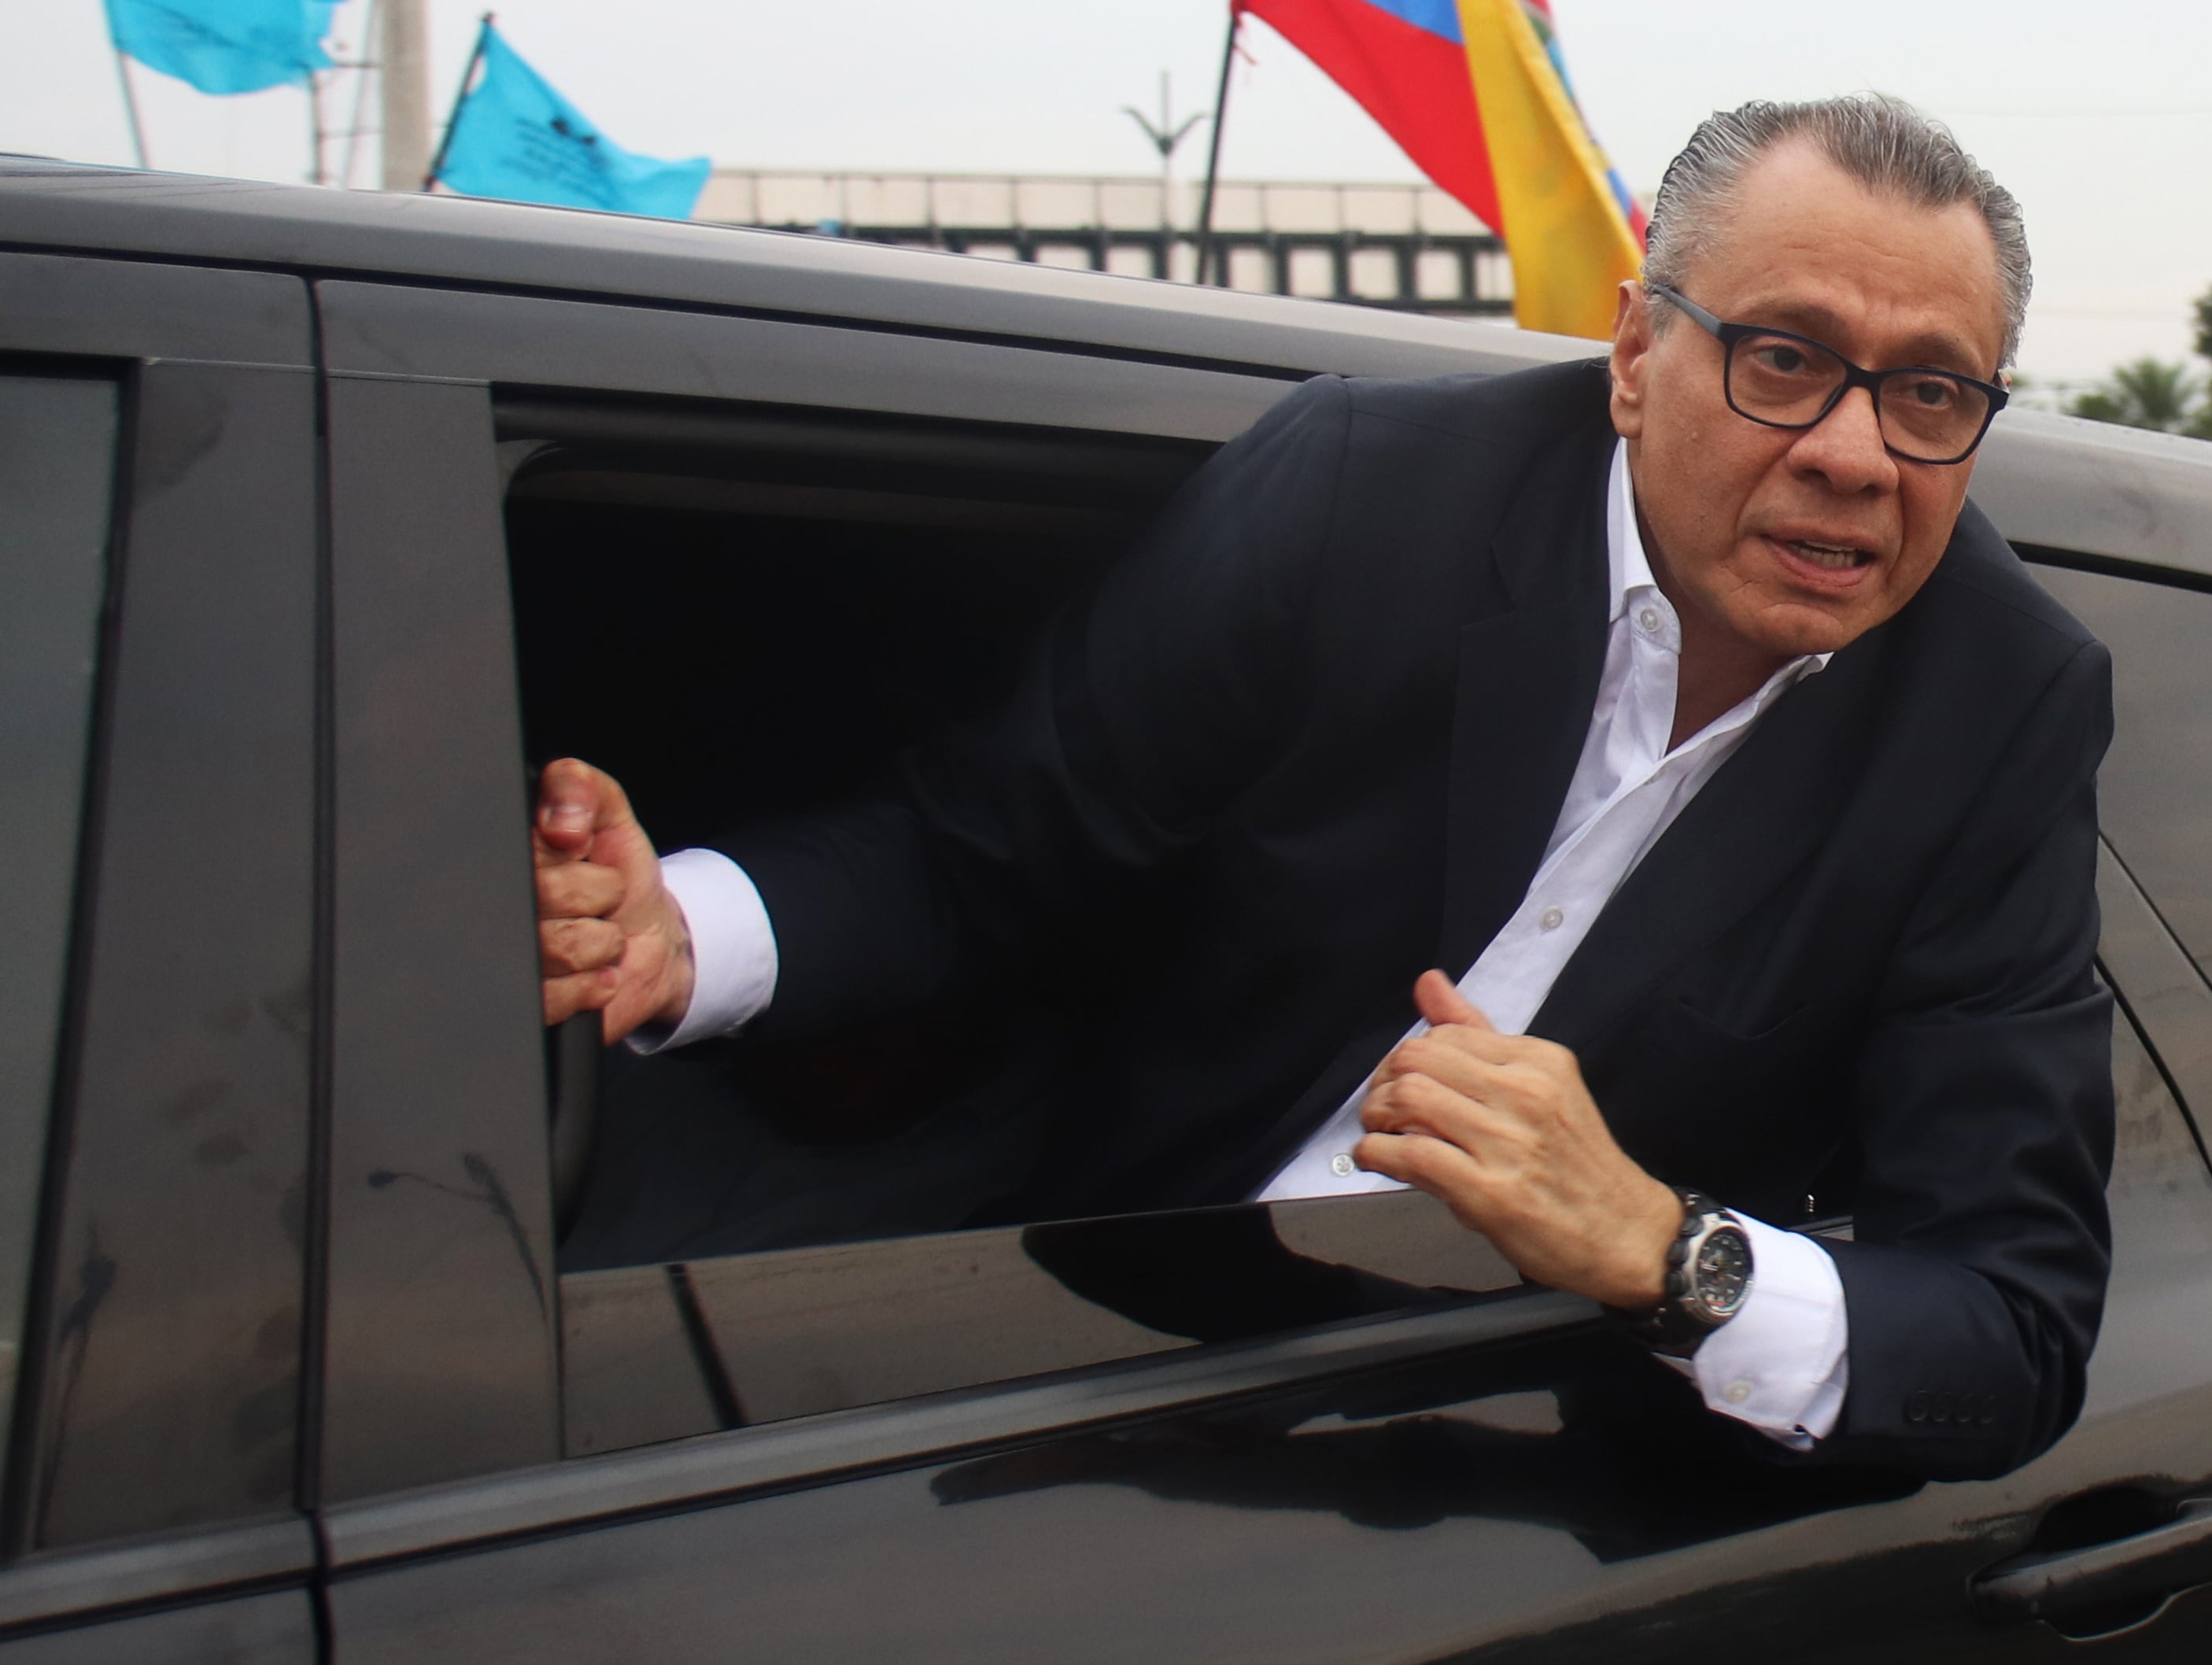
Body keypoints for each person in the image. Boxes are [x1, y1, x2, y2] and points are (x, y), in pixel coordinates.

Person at [530, 94, 2114, 1480]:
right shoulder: (1366, 495)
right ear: (1635, 352)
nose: (1854, 451)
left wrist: (1656, 1244)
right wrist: (682, 929)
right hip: (1086, 1334)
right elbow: (985, 851)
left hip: (1522, 1465)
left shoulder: (2000, 705)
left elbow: (2009, 1323)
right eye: (1783, 357)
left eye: (1929, 392)